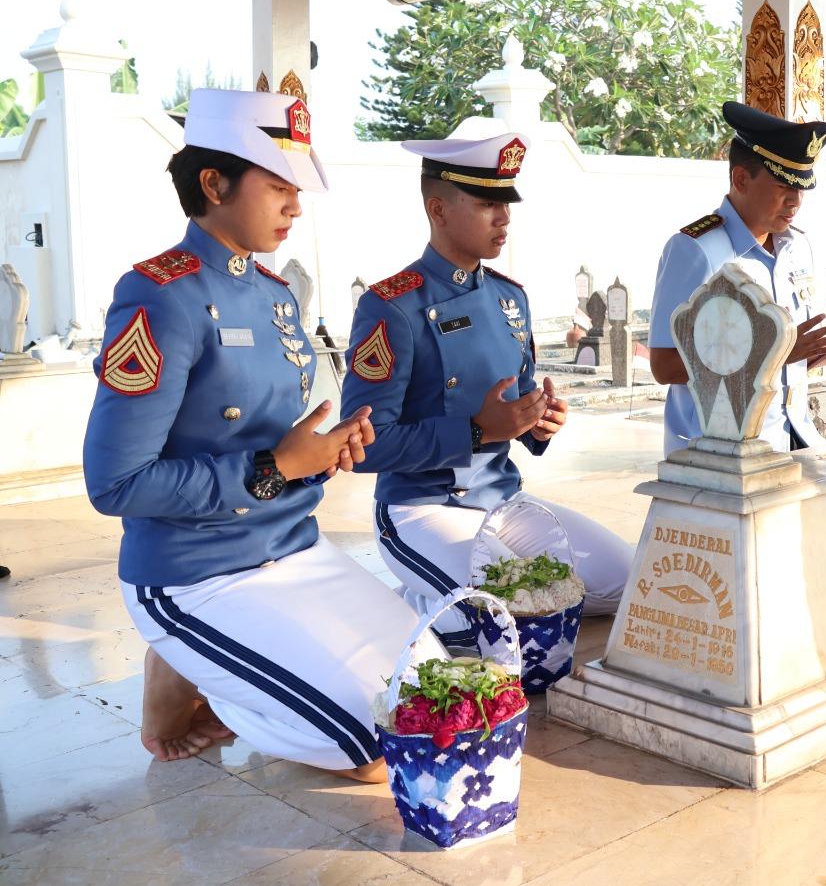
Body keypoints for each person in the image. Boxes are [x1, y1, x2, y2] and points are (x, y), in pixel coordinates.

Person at [84, 89, 437, 780]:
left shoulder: (275, 295)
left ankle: (203, 666)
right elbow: (115, 484)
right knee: (371, 747)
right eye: (278, 187)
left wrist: (324, 451)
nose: (295, 206)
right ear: (213, 184)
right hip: (197, 572)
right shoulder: (160, 296)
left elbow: (273, 438)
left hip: (290, 544)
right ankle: (190, 672)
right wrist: (275, 467)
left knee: (433, 700)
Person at [341, 133, 632, 649]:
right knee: (504, 628)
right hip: (422, 507)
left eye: (505, 205)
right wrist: (475, 431)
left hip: (502, 499)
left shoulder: (509, 298)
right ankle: (416, 603)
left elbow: (516, 407)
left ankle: (442, 596)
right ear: (438, 209)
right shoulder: (393, 307)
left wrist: (537, 422)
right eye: (486, 204)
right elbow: (365, 445)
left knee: (628, 582)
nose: (504, 217)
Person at [648, 102, 826, 455]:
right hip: (718, 454)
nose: (795, 201)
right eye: (782, 186)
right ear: (741, 179)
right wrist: (777, 351)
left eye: (801, 188)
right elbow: (665, 366)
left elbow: (787, 363)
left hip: (792, 439)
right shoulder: (696, 250)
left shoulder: (797, 247)